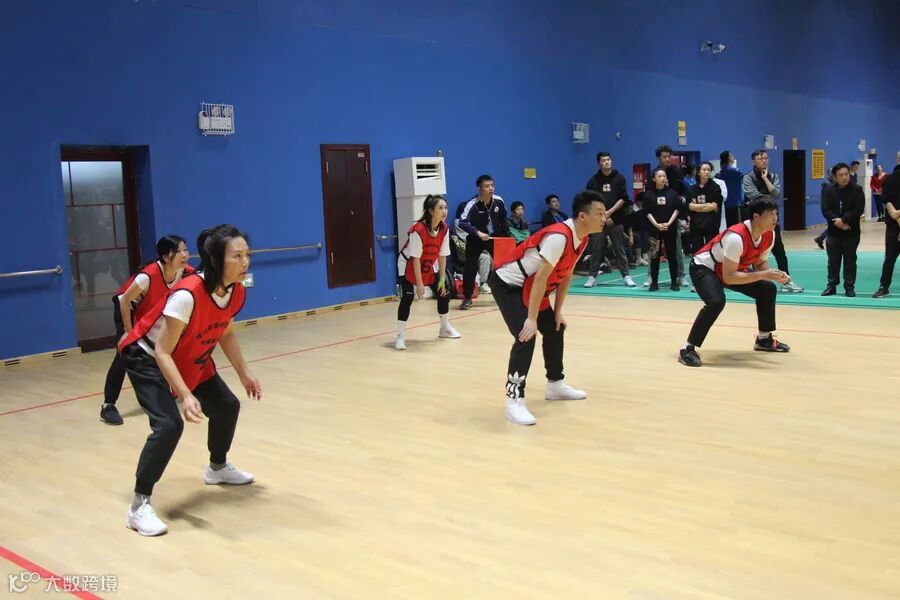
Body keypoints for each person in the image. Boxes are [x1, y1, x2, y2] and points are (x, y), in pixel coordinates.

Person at [118, 224, 261, 536]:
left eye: (247, 255)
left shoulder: (235, 291)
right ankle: (138, 507)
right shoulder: (187, 295)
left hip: (190, 352)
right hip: (146, 356)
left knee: (226, 406)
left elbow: (225, 331)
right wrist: (185, 394)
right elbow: (162, 351)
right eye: (237, 256)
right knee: (169, 425)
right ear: (216, 260)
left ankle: (217, 468)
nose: (245, 262)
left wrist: (244, 373)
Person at [489, 190, 607, 426]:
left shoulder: (582, 238)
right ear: (582, 216)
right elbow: (540, 278)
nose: (605, 218)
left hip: (532, 287)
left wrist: (557, 312)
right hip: (509, 285)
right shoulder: (559, 237)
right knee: (526, 336)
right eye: (600, 213)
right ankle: (514, 401)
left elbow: (566, 275)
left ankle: (555, 385)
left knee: (555, 327)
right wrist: (531, 319)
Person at [678, 199, 791, 367]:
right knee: (716, 302)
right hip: (705, 267)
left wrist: (773, 276)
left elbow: (760, 263)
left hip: (730, 270)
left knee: (767, 289)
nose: (776, 218)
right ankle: (687, 348)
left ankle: (764, 339)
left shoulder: (770, 235)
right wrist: (763, 274)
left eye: (776, 213)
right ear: (756, 216)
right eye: (770, 214)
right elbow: (729, 278)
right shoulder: (736, 237)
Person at [101, 236, 193, 425]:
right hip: (127, 309)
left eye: (186, 250)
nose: (185, 255)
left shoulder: (185, 272)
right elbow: (124, 301)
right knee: (125, 353)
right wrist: (129, 333)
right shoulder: (148, 275)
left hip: (150, 312)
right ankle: (108, 405)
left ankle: (167, 391)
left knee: (166, 347)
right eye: (179, 251)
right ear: (165, 257)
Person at [394, 195, 460, 350]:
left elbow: (442, 256)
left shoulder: (444, 229)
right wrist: (420, 284)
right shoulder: (418, 230)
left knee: (443, 291)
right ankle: (400, 337)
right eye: (440, 208)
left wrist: (442, 280)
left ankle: (444, 328)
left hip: (428, 262)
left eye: (446, 208)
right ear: (431, 211)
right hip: (408, 263)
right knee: (408, 297)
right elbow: (415, 259)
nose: (444, 211)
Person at [742, 149, 804, 292]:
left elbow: (776, 193)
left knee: (779, 252)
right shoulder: (748, 178)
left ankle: (786, 282)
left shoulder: (773, 176)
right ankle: (756, 282)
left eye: (766, 158)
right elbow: (753, 196)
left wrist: (765, 179)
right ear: (753, 161)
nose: (764, 161)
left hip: (771, 221)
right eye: (760, 158)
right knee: (752, 253)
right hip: (754, 223)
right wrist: (769, 198)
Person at [584, 151, 635, 287]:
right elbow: (591, 202)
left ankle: (626, 276)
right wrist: (602, 215)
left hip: (616, 220)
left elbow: (623, 198)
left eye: (608, 159)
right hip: (598, 222)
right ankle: (592, 276)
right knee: (596, 249)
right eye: (603, 160)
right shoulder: (593, 181)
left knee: (619, 248)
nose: (606, 162)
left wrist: (610, 213)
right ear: (599, 163)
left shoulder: (619, 178)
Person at [457, 175, 508, 309]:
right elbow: (462, 222)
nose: (491, 188)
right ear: (479, 189)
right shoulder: (471, 204)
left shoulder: (499, 201)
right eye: (487, 186)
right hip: (476, 239)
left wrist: (505, 238)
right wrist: (477, 232)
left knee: (504, 265)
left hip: (494, 238)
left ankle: (506, 294)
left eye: (492, 185)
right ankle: (467, 298)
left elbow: (503, 219)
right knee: (470, 266)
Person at [821, 163, 865, 297]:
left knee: (850, 260)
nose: (845, 177)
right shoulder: (828, 190)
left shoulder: (857, 189)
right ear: (835, 177)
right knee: (833, 261)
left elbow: (859, 209)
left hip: (851, 231)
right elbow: (825, 209)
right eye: (841, 175)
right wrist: (838, 222)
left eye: (846, 174)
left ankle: (849, 287)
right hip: (833, 232)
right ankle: (831, 285)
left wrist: (844, 220)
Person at [642, 168, 681, 291]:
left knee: (672, 255)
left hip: (670, 228)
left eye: (664, 176)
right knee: (655, 256)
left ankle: (674, 282)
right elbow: (646, 211)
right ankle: (654, 282)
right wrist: (656, 224)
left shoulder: (672, 193)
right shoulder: (649, 194)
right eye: (660, 176)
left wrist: (669, 223)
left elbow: (677, 209)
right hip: (654, 230)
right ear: (654, 179)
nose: (663, 178)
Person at [655, 145, 687, 286]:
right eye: (664, 157)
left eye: (669, 156)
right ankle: (652, 277)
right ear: (659, 158)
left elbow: (683, 192)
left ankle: (681, 276)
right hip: (657, 218)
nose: (667, 159)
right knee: (654, 250)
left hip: (673, 216)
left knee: (677, 248)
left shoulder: (676, 172)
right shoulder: (655, 172)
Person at [873, 163, 900, 298]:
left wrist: (898, 213)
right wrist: (893, 213)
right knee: (889, 258)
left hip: (896, 218)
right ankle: (884, 286)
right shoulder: (889, 179)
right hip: (893, 226)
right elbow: (885, 198)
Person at [687, 161, 724, 254]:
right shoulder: (692, 188)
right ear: (698, 172)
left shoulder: (715, 187)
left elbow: (714, 206)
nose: (707, 172)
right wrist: (707, 204)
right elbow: (690, 206)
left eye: (709, 170)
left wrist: (697, 207)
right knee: (697, 251)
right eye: (704, 170)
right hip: (696, 224)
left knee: (712, 251)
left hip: (711, 223)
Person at [716, 150, 743, 227]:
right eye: (731, 155)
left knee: (727, 227)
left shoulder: (718, 174)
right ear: (729, 158)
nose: (733, 157)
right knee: (737, 228)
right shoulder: (736, 171)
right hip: (735, 204)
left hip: (724, 205)